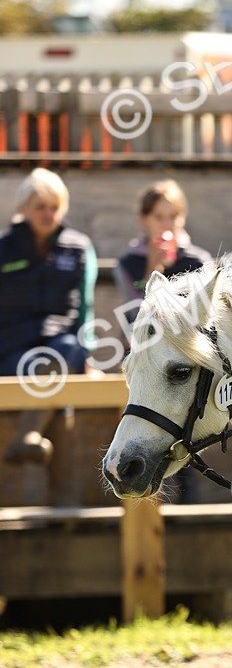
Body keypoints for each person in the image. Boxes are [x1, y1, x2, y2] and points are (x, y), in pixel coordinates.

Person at [0, 168, 97, 464]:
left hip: (64, 349)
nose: (48, 214)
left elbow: (85, 305)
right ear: (23, 208)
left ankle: (27, 436)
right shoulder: (3, 248)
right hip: (14, 352)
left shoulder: (79, 247)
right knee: (50, 376)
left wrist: (89, 356)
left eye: (54, 207)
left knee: (64, 354)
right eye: (40, 206)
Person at [116, 179, 213, 322]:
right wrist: (152, 271)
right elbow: (136, 316)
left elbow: (206, 315)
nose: (167, 225)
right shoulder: (129, 264)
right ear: (143, 219)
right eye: (158, 217)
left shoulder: (199, 261)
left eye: (173, 217)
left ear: (183, 217)